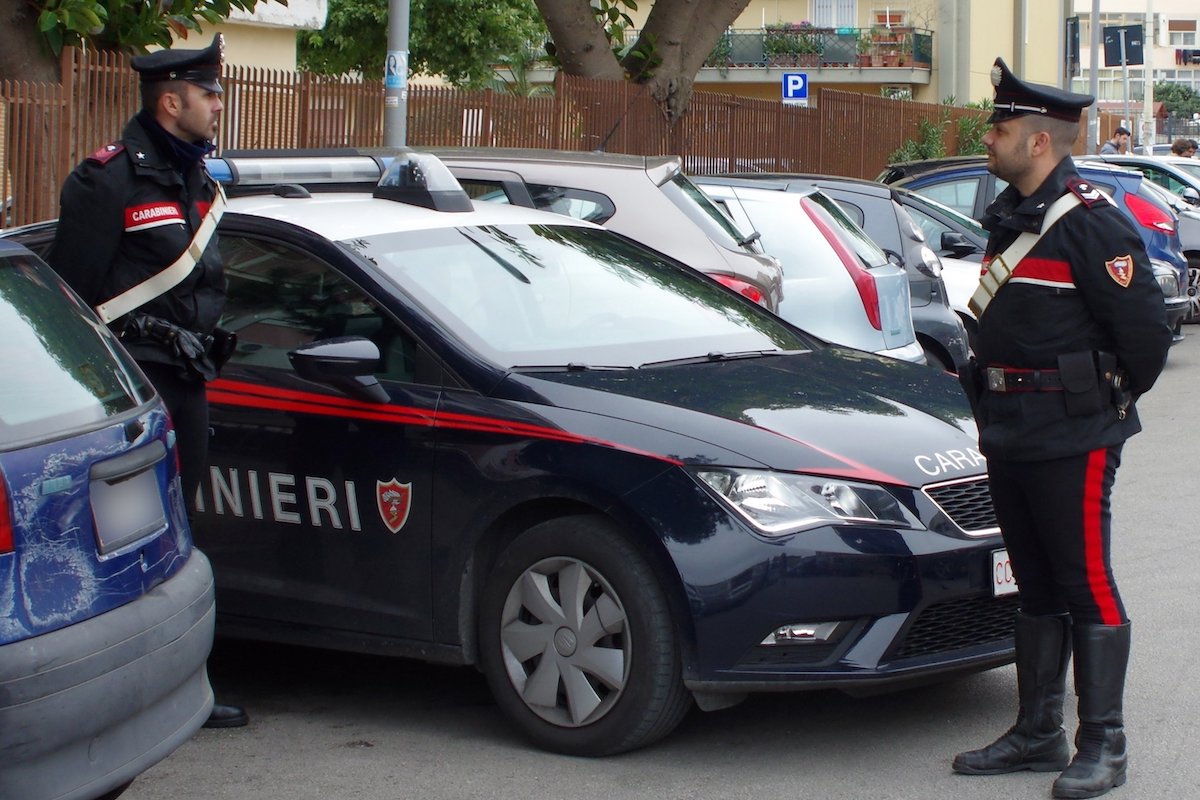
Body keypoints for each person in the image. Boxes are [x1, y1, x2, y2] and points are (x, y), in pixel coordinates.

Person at [953, 58, 1172, 798]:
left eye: (1001, 127)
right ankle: (1037, 732)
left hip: (1072, 433)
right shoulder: (1008, 215)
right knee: (1035, 585)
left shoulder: (1090, 222)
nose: (990, 137)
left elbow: (1143, 337)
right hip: (1009, 427)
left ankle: (1103, 744)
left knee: (1086, 583)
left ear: (1039, 142)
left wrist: (1098, 410)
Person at [48, 34, 248, 730]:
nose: (218, 104)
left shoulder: (198, 178)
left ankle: (182, 686)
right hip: (126, 393)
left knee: (180, 542)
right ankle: (105, 699)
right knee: (115, 550)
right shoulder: (107, 182)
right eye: (209, 94)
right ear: (171, 102)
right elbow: (70, 305)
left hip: (184, 386)